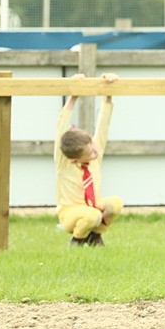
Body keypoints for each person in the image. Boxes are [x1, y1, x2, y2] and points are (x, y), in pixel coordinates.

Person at [55, 73, 121, 247]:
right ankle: (78, 239)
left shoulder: (95, 154)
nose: (95, 154)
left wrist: (108, 93)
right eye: (90, 154)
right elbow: (61, 126)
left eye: (93, 148)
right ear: (75, 159)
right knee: (93, 216)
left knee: (115, 204)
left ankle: (95, 237)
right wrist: (73, 95)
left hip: (92, 207)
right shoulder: (64, 163)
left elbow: (103, 126)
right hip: (70, 212)